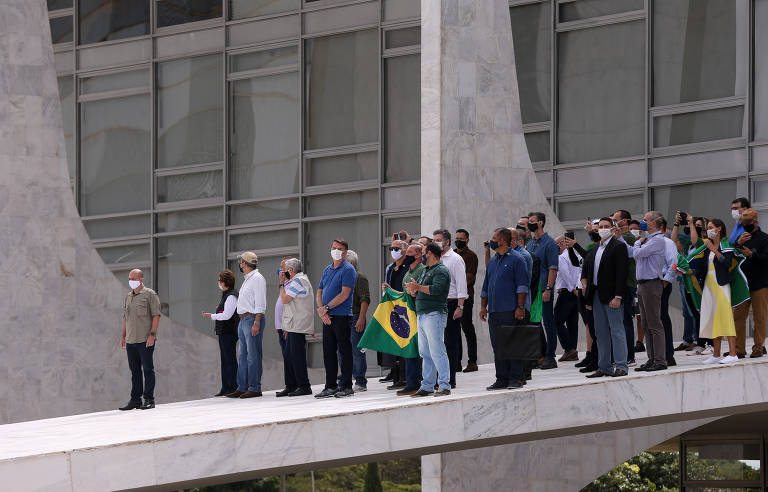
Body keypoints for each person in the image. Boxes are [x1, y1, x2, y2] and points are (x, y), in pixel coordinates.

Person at [480, 228, 530, 390]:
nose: (492, 241)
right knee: (498, 346)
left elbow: (522, 286)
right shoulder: (494, 261)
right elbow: (486, 285)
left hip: (510, 309)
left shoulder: (517, 259)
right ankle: (501, 378)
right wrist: (483, 306)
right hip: (494, 311)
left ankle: (516, 378)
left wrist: (520, 307)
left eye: (494, 238)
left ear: (502, 240)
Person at [581, 218, 629, 378]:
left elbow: (622, 274)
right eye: (600, 227)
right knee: (600, 333)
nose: (602, 229)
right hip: (596, 296)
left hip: (612, 296)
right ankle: (604, 366)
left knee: (617, 331)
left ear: (612, 228)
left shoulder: (619, 246)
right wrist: (587, 295)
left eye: (606, 226)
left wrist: (618, 296)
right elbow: (587, 269)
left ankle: (621, 366)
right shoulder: (595, 249)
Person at [624, 211, 668, 372]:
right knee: (646, 323)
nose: (643, 222)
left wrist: (637, 242)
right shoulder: (648, 240)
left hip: (651, 284)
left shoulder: (657, 240)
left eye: (646, 220)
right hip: (642, 284)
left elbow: (638, 253)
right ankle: (652, 358)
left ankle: (660, 360)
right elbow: (630, 252)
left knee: (654, 323)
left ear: (654, 223)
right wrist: (620, 238)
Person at [406, 242, 452, 397]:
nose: (422, 255)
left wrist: (418, 288)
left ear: (430, 253)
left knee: (437, 350)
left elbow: (437, 290)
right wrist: (413, 290)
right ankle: (427, 386)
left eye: (423, 251)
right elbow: (420, 291)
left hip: (434, 314)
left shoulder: (441, 270)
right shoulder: (426, 270)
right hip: (422, 314)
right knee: (425, 352)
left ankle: (445, 385)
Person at [315, 238, 357, 398]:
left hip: (341, 316)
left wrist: (326, 308)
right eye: (333, 248)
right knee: (328, 351)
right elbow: (319, 291)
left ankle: (346, 385)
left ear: (345, 252)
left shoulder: (348, 269)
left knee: (344, 351)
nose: (336, 251)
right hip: (327, 316)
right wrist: (322, 310)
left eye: (339, 249)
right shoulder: (327, 269)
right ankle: (330, 385)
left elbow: (344, 294)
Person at [697, 220, 739, 364]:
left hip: (721, 285)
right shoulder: (707, 246)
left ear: (719, 228)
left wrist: (714, 249)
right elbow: (703, 266)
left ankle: (733, 353)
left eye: (711, 228)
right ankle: (716, 354)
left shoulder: (724, 244)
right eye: (707, 228)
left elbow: (727, 263)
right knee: (713, 316)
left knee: (725, 316)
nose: (708, 230)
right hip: (709, 285)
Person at [119, 269, 161, 411]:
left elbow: (156, 315)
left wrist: (152, 335)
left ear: (141, 279)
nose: (131, 280)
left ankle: (149, 399)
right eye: (130, 278)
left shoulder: (150, 295)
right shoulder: (128, 296)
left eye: (134, 278)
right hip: (131, 340)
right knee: (135, 371)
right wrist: (123, 336)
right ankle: (135, 400)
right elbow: (126, 318)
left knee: (148, 370)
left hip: (145, 339)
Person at [228, 252, 267, 399]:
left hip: (252, 319)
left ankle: (254, 387)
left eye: (241, 262)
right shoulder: (248, 279)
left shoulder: (257, 279)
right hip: (244, 320)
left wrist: (256, 322)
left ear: (245, 263)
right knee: (243, 355)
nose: (240, 264)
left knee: (253, 355)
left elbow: (260, 303)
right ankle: (242, 387)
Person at [433, 229, 467, 388]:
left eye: (438, 239)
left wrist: (460, 306)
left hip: (452, 303)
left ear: (447, 241)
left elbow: (461, 285)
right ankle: (438, 377)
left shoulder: (455, 259)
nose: (436, 242)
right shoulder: (434, 258)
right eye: (434, 240)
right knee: (437, 343)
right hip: (436, 304)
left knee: (450, 342)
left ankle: (450, 378)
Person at [526, 212, 559, 370]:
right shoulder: (531, 244)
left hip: (543, 288)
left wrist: (548, 288)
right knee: (534, 322)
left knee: (548, 321)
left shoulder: (550, 243)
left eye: (532, 221)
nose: (530, 224)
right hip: (532, 290)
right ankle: (538, 355)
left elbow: (553, 268)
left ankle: (550, 356)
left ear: (540, 223)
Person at [276, 258, 314, 397]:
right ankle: (291, 385)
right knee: (289, 355)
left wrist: (281, 284)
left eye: (285, 270)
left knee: (297, 356)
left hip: (298, 325)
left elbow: (285, 299)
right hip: (293, 324)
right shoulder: (295, 281)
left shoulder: (299, 281)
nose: (283, 272)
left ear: (291, 271)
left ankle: (303, 386)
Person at [733, 209, 768, 358]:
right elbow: (731, 255)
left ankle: (758, 347)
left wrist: (752, 254)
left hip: (760, 283)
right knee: (738, 317)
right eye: (743, 222)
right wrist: (737, 244)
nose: (744, 225)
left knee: (760, 316)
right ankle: (739, 349)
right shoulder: (741, 238)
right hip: (742, 283)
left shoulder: (764, 239)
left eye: (747, 223)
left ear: (755, 222)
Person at [393, 242, 427, 396]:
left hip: (421, 314)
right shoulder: (407, 272)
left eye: (410, 253)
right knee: (410, 350)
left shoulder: (422, 270)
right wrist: (390, 290)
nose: (406, 255)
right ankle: (412, 382)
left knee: (426, 350)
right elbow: (405, 293)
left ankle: (431, 380)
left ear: (419, 254)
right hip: (409, 316)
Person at [202, 270, 239, 397]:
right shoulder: (226, 295)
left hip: (229, 332)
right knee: (225, 360)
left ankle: (233, 387)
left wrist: (212, 316)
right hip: (223, 332)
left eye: (220, 280)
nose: (218, 283)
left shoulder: (231, 296)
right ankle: (226, 387)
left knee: (230, 360)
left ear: (225, 282)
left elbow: (227, 315)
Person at [381, 237, 410, 387]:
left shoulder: (408, 267)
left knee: (404, 344)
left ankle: (405, 377)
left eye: (397, 249)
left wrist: (392, 291)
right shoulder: (391, 268)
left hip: (405, 309)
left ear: (405, 250)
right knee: (395, 345)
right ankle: (396, 377)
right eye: (392, 248)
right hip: (393, 310)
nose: (394, 251)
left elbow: (405, 290)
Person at [341, 250, 370, 392]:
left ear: (351, 262)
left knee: (357, 350)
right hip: (342, 318)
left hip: (355, 316)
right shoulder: (341, 276)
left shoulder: (360, 278)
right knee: (342, 350)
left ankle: (360, 381)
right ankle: (344, 379)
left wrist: (361, 318)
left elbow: (365, 299)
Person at [612, 210, 637, 365]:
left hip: (627, 283)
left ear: (624, 221)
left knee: (626, 320)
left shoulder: (628, 238)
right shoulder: (618, 238)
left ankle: (630, 355)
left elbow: (629, 254)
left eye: (615, 220)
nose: (614, 223)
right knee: (620, 321)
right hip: (620, 284)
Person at [454, 228, 479, 372]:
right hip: (452, 298)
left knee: (467, 328)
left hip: (466, 297)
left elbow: (469, 278)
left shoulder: (471, 256)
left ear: (467, 240)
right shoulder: (453, 253)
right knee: (454, 330)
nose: (458, 241)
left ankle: (472, 361)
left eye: (461, 239)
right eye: (457, 238)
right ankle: (456, 361)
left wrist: (456, 285)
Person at [553, 235, 581, 362]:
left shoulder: (562, 258)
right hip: (576, 292)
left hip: (567, 292)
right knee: (572, 322)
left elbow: (566, 275)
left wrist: (573, 289)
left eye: (556, 244)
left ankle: (569, 349)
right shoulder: (577, 256)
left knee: (557, 321)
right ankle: (572, 350)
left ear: (561, 244)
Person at [660, 219, 679, 367]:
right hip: (649, 285)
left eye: (647, 222)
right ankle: (657, 355)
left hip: (661, 284)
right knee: (653, 321)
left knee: (662, 318)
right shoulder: (647, 241)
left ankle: (668, 355)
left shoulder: (668, 243)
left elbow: (673, 263)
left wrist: (666, 281)